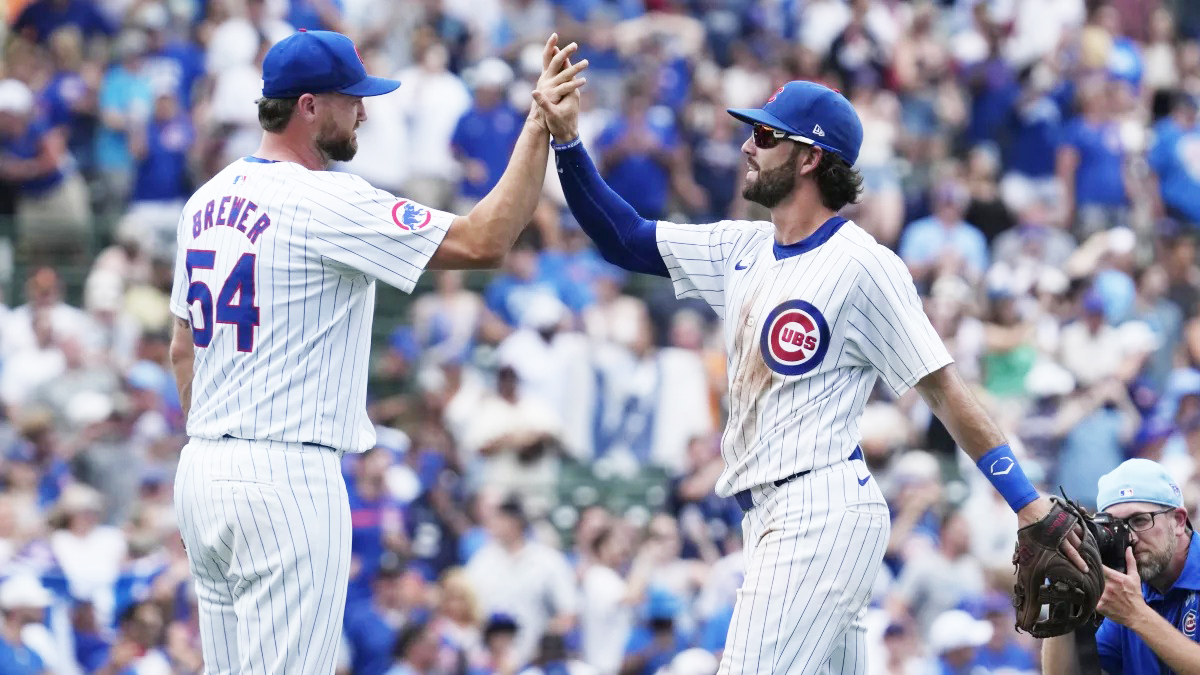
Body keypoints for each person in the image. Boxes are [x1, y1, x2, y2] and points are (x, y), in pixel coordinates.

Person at [534, 77, 1086, 673]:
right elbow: (624, 238)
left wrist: (1025, 503)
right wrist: (568, 143)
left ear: (810, 157)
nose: (748, 145)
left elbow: (944, 390)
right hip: (775, 515)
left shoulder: (863, 265)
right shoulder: (741, 248)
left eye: (766, 135)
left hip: (818, 509)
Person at [167, 29, 588, 674]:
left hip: (204, 470)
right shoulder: (327, 199)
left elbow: (182, 350)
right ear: (308, 106)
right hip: (286, 474)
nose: (363, 112)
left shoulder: (205, 199)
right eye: (351, 98)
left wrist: (219, 443)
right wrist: (537, 126)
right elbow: (484, 241)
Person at [1043, 458, 1200, 674]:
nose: (1130, 537)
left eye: (1140, 520)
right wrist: (1062, 600)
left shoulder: (1128, 602)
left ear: (1179, 521)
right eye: (1116, 527)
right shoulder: (1128, 588)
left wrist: (1135, 614)